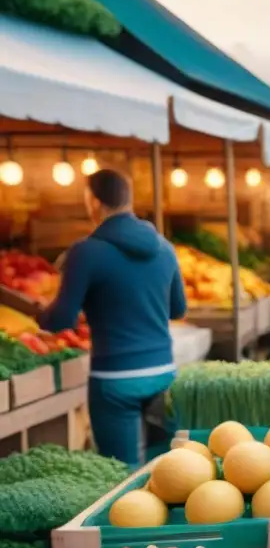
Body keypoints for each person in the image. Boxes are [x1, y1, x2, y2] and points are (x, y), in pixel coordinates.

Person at [38, 169, 186, 467]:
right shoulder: (166, 249)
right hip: (163, 374)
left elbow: (61, 319)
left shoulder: (85, 252)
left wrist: (38, 310)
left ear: (93, 202)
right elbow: (177, 310)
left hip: (115, 380)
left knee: (120, 475)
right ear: (129, 201)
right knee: (170, 471)